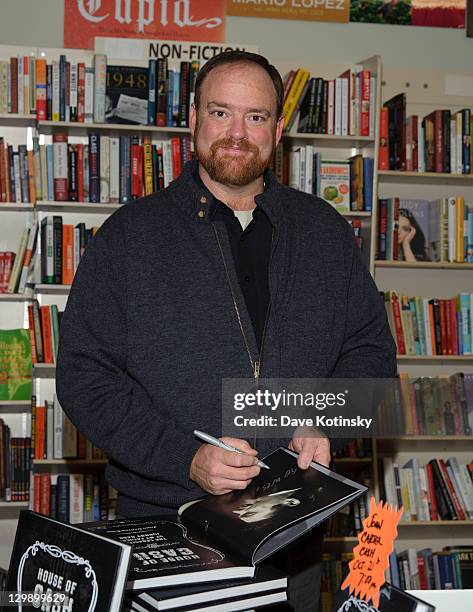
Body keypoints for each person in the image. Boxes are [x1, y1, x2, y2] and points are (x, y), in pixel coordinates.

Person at [56, 50, 396, 610]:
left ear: (278, 130)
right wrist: (183, 457)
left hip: (294, 542)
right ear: (192, 120)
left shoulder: (326, 234)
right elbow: (84, 376)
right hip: (170, 534)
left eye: (256, 117)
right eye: (221, 113)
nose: (237, 134)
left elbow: (371, 354)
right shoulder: (128, 238)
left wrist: (324, 417)